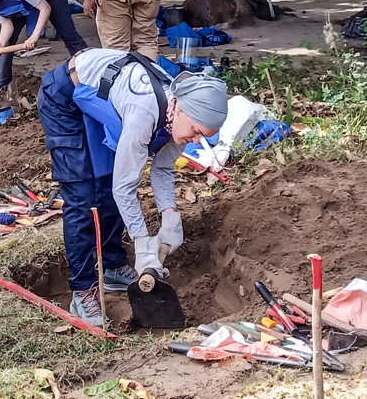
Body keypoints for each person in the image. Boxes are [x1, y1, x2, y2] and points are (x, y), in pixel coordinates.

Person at [38, 49, 228, 327]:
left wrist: (170, 215)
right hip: (65, 99)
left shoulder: (179, 116)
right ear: (179, 107)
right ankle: (82, 290)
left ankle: (113, 267)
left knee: (110, 178)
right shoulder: (145, 113)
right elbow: (124, 188)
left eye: (203, 137)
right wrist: (142, 242)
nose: (196, 142)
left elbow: (162, 169)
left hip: (100, 100)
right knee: (83, 195)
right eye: (196, 131)